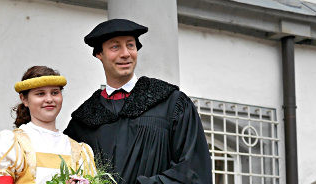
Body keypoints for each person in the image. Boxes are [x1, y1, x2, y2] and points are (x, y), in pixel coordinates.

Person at [63, 19, 212, 184]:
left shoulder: (171, 103)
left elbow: (193, 171)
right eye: (115, 47)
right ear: (99, 54)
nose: (125, 53)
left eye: (130, 45)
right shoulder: (83, 121)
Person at [0, 66, 97, 184]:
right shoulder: (13, 144)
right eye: (40, 94)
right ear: (24, 99)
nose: (49, 99)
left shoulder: (79, 151)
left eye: (55, 93)